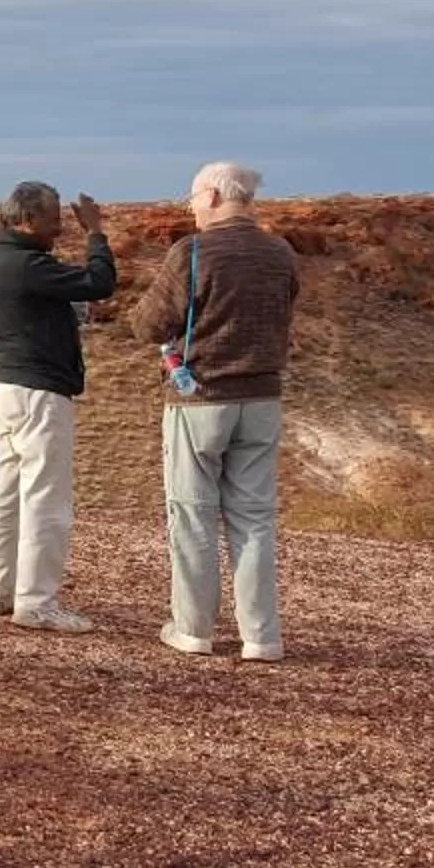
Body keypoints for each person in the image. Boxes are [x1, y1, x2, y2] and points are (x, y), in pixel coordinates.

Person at [130, 161, 302, 662]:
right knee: (254, 519)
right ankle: (262, 637)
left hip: (200, 398)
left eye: (191, 198)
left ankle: (193, 628)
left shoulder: (192, 252)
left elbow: (148, 324)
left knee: (193, 514)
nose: (189, 207)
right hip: (263, 396)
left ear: (210, 196)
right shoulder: (280, 252)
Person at [0, 180, 116, 634]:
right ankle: (36, 602)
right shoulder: (28, 265)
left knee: (5, 491)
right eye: (54, 221)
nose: (59, 230)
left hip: (5, 385)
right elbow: (99, 282)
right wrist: (96, 233)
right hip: (39, 391)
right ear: (29, 220)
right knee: (45, 499)